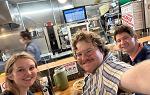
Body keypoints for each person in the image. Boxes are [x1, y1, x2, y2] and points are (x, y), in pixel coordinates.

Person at [72, 31, 150, 95]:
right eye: (79, 54)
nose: (83, 58)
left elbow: (139, 77)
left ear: (101, 50)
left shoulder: (108, 69)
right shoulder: (95, 67)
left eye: (89, 51)